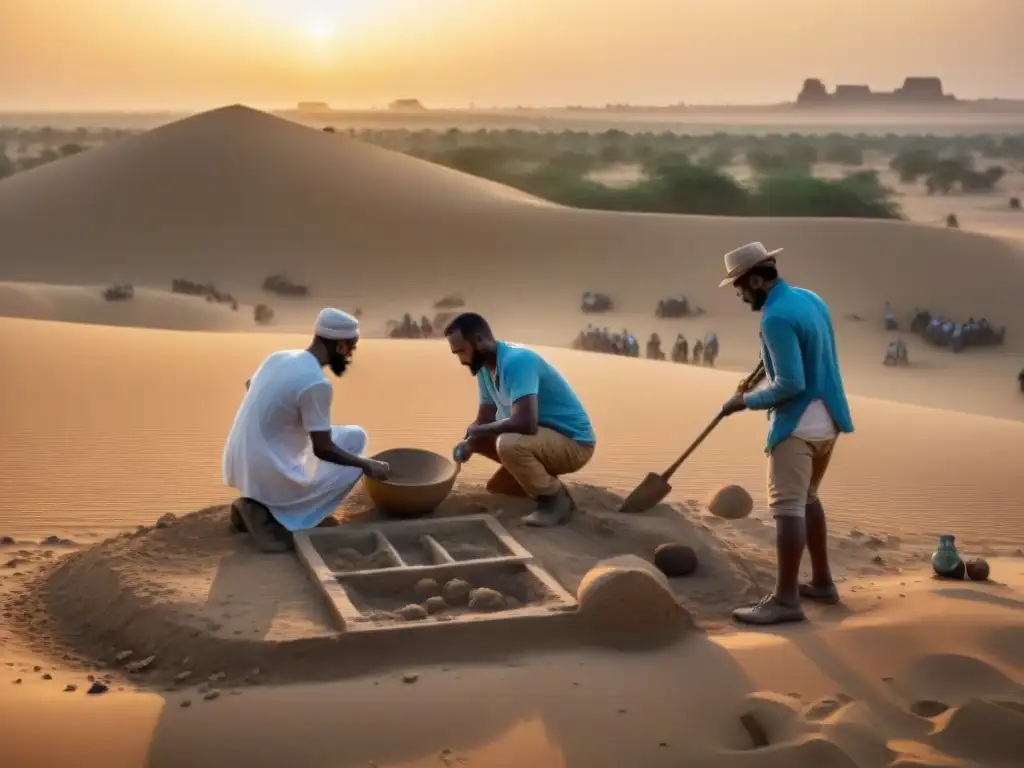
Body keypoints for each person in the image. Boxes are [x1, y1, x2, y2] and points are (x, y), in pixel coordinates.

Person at [717, 242, 854, 626]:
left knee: (788, 508)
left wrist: (744, 402)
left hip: (798, 423)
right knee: (808, 499)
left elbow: (791, 384)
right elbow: (796, 354)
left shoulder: (774, 317)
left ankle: (786, 600)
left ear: (757, 280)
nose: (740, 295)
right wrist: (756, 375)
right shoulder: (808, 299)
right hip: (829, 419)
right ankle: (823, 583)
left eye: (740, 287)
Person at [223, 308, 390, 551]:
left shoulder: (278, 357)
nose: (349, 357)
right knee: (355, 463)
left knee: (355, 436)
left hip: (240, 463)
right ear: (341, 347)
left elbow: (251, 385)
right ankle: (279, 515)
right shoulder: (316, 383)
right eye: (351, 350)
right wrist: (367, 465)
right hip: (266, 473)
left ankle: (263, 500)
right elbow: (323, 449)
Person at [445, 313, 596, 527]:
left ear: (478, 340)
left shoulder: (517, 361)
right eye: (456, 353)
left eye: (462, 351)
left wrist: (479, 431)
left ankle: (556, 501)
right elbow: (485, 417)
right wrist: (469, 441)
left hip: (573, 444)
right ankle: (541, 479)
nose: (461, 360)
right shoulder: (484, 369)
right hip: (541, 440)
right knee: (500, 486)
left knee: (508, 443)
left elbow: (526, 422)